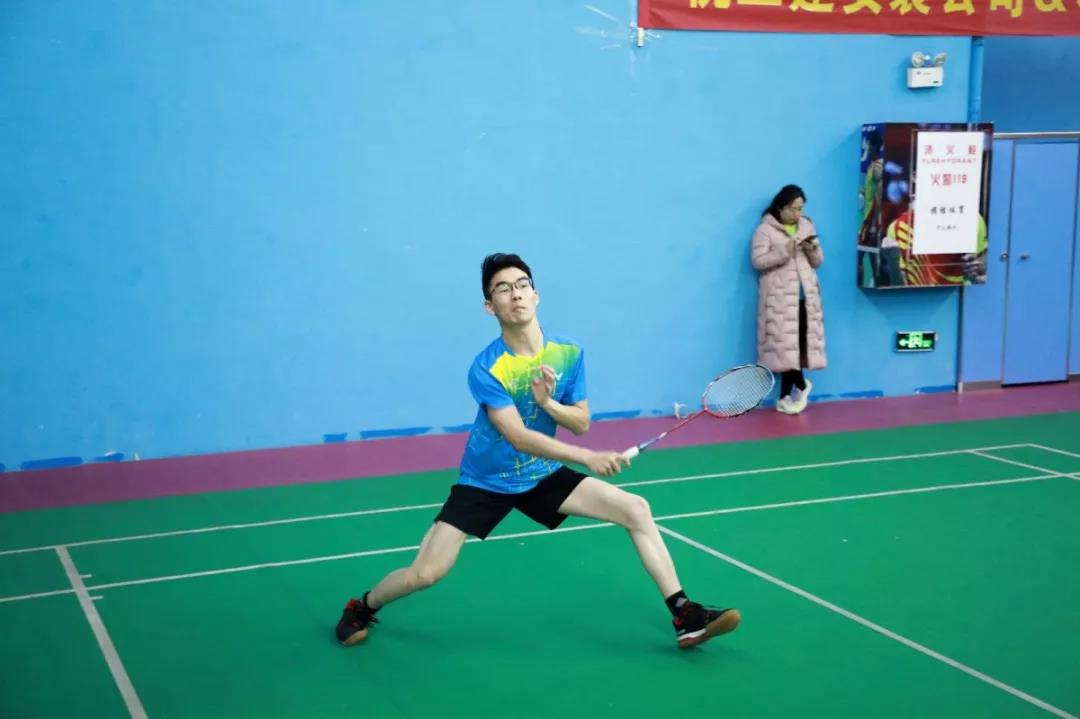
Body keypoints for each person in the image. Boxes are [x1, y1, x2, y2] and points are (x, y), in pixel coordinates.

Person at [335, 253, 740, 649]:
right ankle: (362, 606)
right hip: (485, 481)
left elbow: (580, 422)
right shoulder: (488, 367)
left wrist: (548, 404)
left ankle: (684, 614)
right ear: (489, 306)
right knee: (425, 573)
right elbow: (517, 436)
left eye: (522, 285)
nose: (515, 294)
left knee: (635, 509)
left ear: (536, 294)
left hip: (540, 473)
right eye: (502, 289)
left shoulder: (568, 353)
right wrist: (588, 458)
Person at [751, 185, 827, 415]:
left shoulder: (807, 226)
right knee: (784, 348)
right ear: (780, 207)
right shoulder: (764, 230)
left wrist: (812, 248)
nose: (797, 214)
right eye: (793, 209)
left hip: (806, 297)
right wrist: (785, 250)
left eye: (800, 208)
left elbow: (818, 261)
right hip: (779, 299)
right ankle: (802, 385)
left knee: (796, 347)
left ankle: (784, 397)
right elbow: (758, 261)